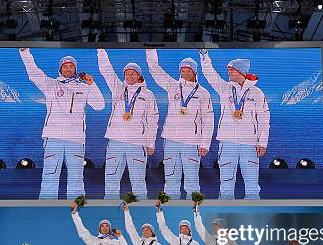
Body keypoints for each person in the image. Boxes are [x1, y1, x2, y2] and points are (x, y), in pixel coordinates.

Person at [19, 48, 105, 199]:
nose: (68, 68)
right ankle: (46, 206)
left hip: (76, 138)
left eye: (71, 66)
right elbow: (33, 73)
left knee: (76, 175)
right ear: (60, 69)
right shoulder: (50, 84)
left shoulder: (84, 88)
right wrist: (25, 53)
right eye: (65, 66)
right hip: (53, 136)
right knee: (50, 173)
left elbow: (99, 105)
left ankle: (77, 206)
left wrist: (92, 84)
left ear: (75, 69)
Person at [199, 49, 270, 200]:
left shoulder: (257, 93)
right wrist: (204, 56)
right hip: (227, 142)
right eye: (228, 70)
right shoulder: (224, 88)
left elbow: (264, 119)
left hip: (249, 143)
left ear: (240, 71)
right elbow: (210, 74)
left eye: (231, 70)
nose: (229, 73)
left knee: (251, 183)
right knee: (226, 182)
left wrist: (262, 142)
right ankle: (224, 213)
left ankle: (253, 213)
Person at [145, 49, 214, 199]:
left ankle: (195, 208)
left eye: (188, 70)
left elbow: (208, 120)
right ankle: (170, 207)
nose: (184, 72)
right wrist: (150, 51)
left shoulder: (203, 93)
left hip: (192, 142)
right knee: (170, 178)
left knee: (192, 179)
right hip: (170, 140)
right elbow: (156, 70)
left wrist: (205, 143)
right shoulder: (173, 86)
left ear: (195, 72)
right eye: (182, 70)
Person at [97, 49, 159, 199]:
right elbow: (106, 70)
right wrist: (101, 50)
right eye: (127, 73)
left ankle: (141, 208)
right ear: (124, 75)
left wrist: (151, 143)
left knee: (138, 179)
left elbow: (153, 119)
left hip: (137, 142)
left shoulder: (148, 94)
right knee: (111, 177)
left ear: (139, 76)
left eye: (133, 73)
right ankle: (109, 204)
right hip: (116, 140)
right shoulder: (117, 88)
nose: (130, 76)